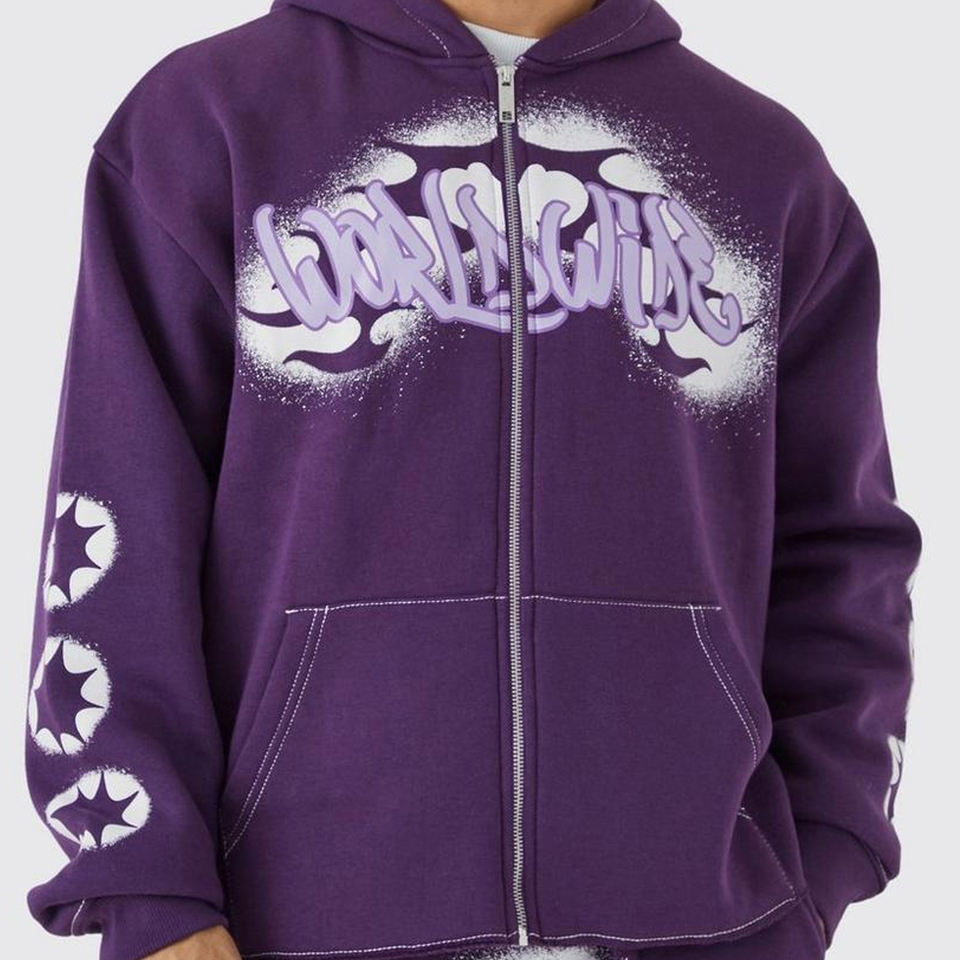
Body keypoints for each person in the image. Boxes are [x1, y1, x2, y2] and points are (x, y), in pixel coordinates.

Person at [25, 1, 921, 959]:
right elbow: (116, 523)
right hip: (291, 926)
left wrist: (823, 860)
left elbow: (841, 552)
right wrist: (151, 897)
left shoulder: (761, 165)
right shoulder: (210, 120)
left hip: (703, 923)